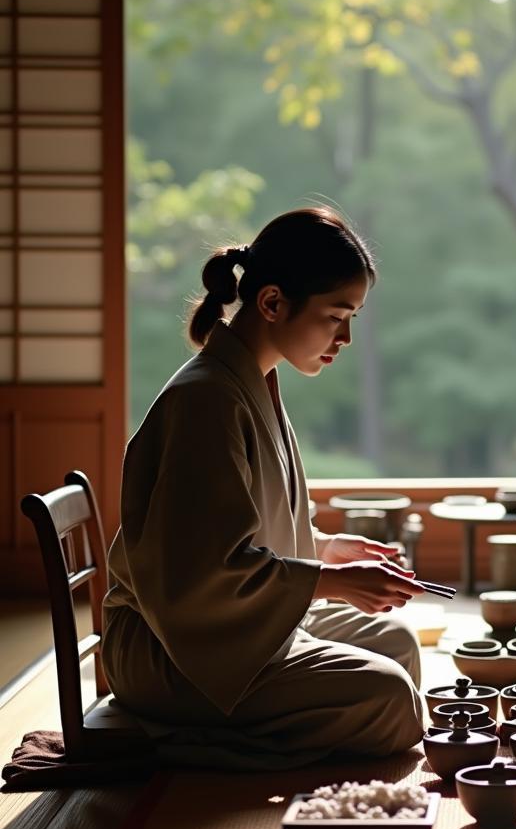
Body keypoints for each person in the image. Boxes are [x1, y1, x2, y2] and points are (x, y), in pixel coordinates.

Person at [103, 206, 427, 769]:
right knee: (391, 700)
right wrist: (328, 580)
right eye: (336, 316)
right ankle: (182, 749)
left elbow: (242, 530)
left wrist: (323, 550)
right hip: (171, 649)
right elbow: (200, 577)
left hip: (227, 628)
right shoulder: (207, 400)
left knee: (396, 642)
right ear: (273, 303)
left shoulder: (248, 382)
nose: (346, 337)